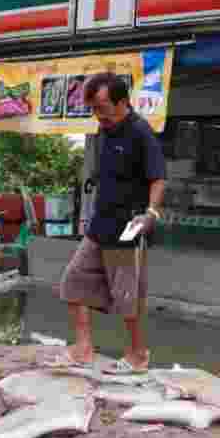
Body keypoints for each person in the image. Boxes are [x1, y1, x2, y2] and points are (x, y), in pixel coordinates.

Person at [50, 72, 166, 374]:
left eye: (101, 108)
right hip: (100, 225)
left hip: (128, 228)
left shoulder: (141, 132)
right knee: (73, 281)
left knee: (127, 298)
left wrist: (151, 213)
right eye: (93, 109)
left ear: (122, 102)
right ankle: (84, 348)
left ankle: (137, 355)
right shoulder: (103, 132)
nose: (97, 115)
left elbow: (158, 178)